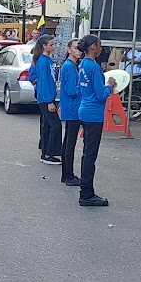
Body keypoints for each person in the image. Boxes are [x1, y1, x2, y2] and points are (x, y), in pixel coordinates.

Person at [76, 34, 116, 207]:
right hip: (94, 114)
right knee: (90, 155)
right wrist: (110, 85)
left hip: (85, 110)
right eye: (99, 45)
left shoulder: (83, 64)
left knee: (87, 153)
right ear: (92, 46)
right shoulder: (94, 67)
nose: (101, 48)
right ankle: (86, 194)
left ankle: (86, 191)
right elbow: (101, 95)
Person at [29, 35, 61, 165]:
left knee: (47, 125)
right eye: (51, 44)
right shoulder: (42, 62)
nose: (54, 47)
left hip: (48, 96)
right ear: (44, 46)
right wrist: (49, 101)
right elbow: (43, 82)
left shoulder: (47, 60)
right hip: (45, 98)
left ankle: (47, 152)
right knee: (55, 125)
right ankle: (48, 154)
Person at [58, 38, 83, 187]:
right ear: (68, 49)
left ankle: (66, 174)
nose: (78, 51)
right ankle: (68, 175)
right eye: (75, 48)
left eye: (79, 48)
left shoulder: (70, 66)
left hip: (70, 107)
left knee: (68, 140)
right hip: (72, 107)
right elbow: (72, 90)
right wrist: (84, 87)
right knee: (70, 142)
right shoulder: (70, 66)